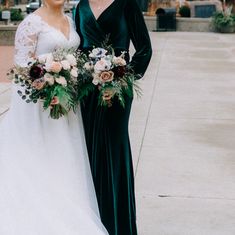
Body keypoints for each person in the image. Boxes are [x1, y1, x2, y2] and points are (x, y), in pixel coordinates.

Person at [0, 0, 108, 234]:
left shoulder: (70, 20)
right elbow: (21, 70)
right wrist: (46, 89)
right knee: (43, 158)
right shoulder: (31, 24)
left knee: (65, 156)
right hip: (42, 107)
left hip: (68, 105)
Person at [75, 0, 152, 234]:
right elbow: (77, 49)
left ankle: (118, 224)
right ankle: (92, 223)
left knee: (113, 150)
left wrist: (122, 78)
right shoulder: (81, 6)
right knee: (88, 150)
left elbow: (144, 49)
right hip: (86, 90)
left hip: (117, 89)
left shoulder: (127, 4)